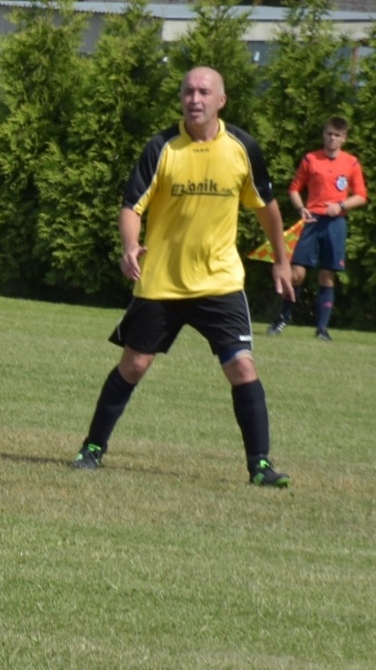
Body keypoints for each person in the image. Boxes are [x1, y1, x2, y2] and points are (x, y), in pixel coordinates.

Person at [72, 66, 294, 489]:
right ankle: (93, 448)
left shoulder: (242, 147)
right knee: (134, 364)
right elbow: (131, 206)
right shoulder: (161, 147)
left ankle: (260, 466)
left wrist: (282, 261)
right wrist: (130, 246)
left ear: (221, 100)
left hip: (220, 283)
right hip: (163, 283)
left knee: (243, 369)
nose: (195, 99)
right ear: (181, 98)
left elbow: (267, 207)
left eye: (204, 92)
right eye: (189, 91)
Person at [266, 116, 365, 341]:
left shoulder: (351, 163)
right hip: (311, 222)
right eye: (329, 133)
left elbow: (361, 196)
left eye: (337, 135)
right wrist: (301, 208)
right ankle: (282, 319)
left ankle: (321, 329)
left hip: (335, 223)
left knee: (327, 275)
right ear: (324, 134)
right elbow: (294, 188)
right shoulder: (311, 159)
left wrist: (340, 205)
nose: (333, 138)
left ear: (344, 138)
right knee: (296, 274)